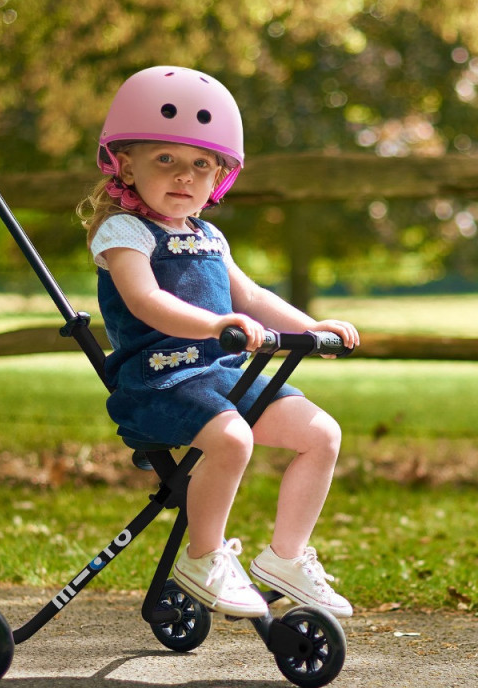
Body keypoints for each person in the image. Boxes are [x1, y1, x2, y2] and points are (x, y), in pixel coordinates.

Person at [79, 65, 359, 619]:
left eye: (200, 164)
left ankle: (285, 557)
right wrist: (213, 324)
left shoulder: (209, 236)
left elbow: (252, 296)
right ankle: (203, 557)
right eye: (166, 160)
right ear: (126, 164)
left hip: (221, 380)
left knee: (321, 434)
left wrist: (311, 326)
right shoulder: (123, 232)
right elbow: (145, 301)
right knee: (231, 439)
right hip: (157, 382)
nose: (184, 176)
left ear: (218, 177)